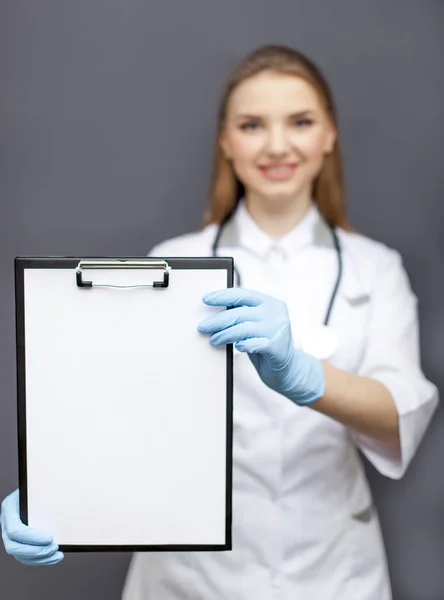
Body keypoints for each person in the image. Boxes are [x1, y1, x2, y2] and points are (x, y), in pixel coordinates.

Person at [0, 44, 439, 599]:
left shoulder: (376, 268)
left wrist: (306, 376)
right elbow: (117, 409)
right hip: (191, 575)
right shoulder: (171, 262)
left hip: (332, 569)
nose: (277, 145)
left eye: (300, 122)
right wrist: (52, 491)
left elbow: (400, 413)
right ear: (226, 143)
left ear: (329, 135)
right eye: (252, 125)